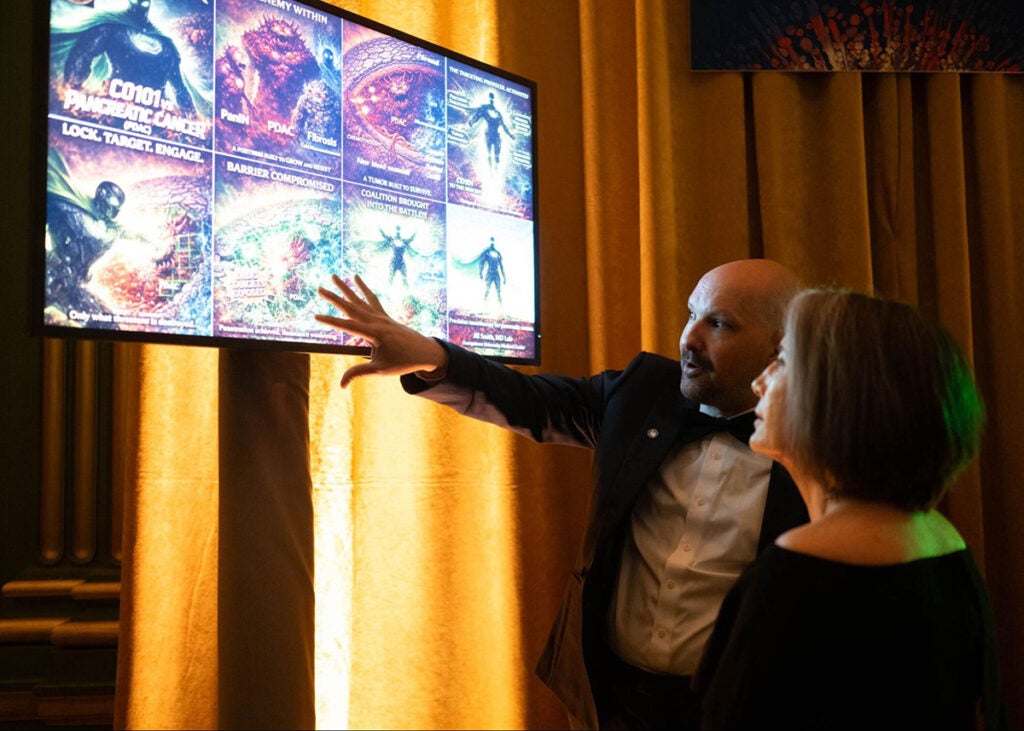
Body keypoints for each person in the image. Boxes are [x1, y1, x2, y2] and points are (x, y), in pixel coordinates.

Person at [314, 259, 809, 730]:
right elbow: (531, 400)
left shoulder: (820, 445)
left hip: (742, 709)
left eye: (719, 324)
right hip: (611, 703)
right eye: (691, 314)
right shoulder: (642, 393)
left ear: (781, 345)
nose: (689, 339)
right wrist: (433, 356)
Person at [693, 289, 1006, 730]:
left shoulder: (793, 578)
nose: (758, 383)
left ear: (838, 396)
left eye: (781, 362)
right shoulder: (942, 539)